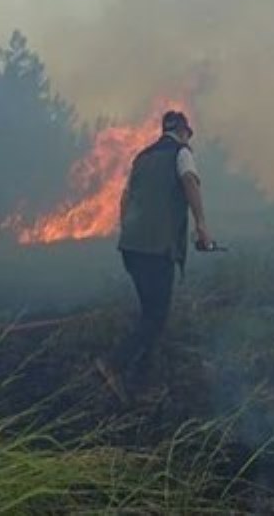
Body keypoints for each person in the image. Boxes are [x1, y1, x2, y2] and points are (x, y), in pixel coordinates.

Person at [95, 110, 214, 403]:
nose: (189, 139)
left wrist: (131, 230)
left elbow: (125, 198)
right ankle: (114, 364)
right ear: (183, 131)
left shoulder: (142, 158)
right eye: (188, 134)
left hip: (132, 248)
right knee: (157, 317)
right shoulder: (182, 153)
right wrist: (201, 225)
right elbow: (190, 183)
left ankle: (142, 380)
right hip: (156, 250)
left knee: (150, 313)